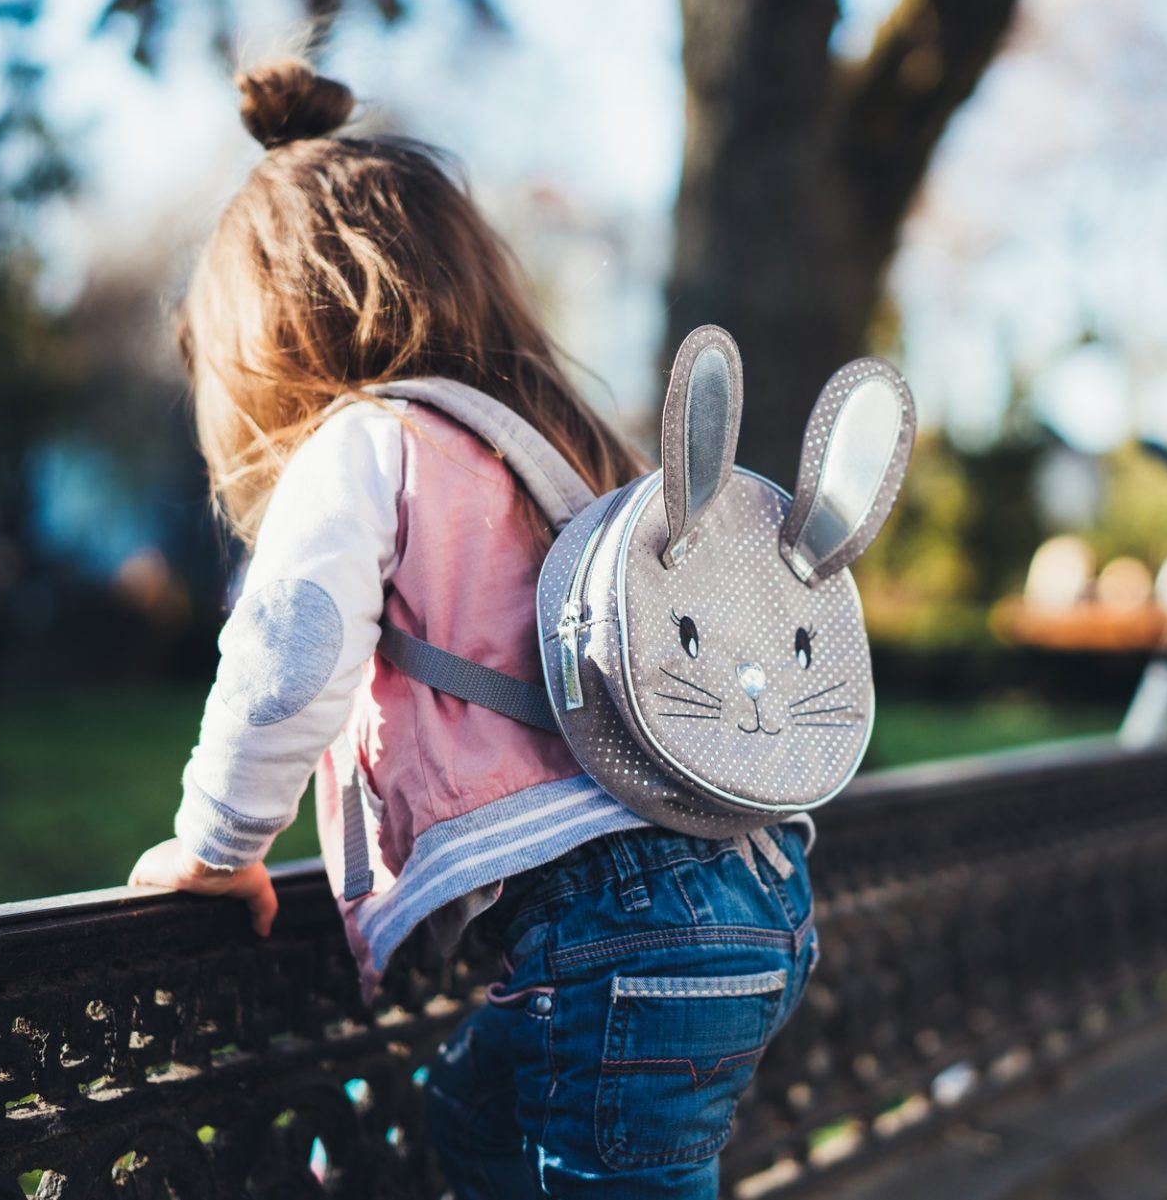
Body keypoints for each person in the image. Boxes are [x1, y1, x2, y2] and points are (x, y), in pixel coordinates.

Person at [126, 60, 818, 1198]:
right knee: (480, 1129)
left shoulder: (368, 442)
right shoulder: (589, 453)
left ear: (273, 336)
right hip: (757, 889)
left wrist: (218, 844)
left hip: (613, 925)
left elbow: (292, 649)